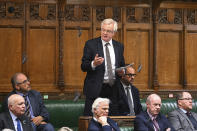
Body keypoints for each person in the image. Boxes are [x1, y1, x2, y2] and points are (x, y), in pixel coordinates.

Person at [81, 18, 125, 116]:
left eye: (108, 31)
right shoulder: (91, 44)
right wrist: (93, 64)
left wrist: (122, 72)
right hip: (96, 89)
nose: (105, 33)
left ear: (114, 32)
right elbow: (83, 66)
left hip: (113, 89)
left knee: (113, 120)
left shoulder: (119, 46)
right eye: (103, 30)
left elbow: (121, 64)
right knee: (91, 120)